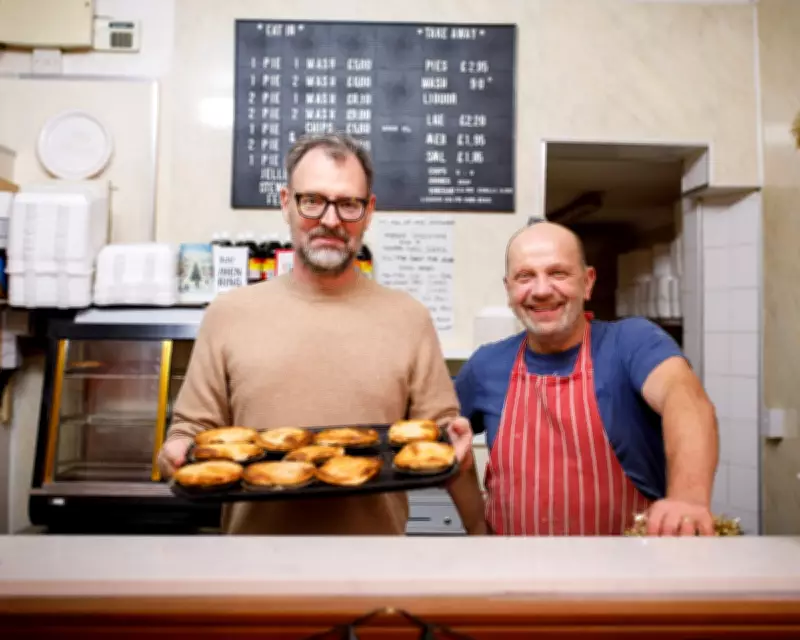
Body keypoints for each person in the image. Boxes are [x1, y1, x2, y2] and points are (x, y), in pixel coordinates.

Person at [159, 132, 486, 535]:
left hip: (375, 570)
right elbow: (191, 433)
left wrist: (480, 532)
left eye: (348, 203)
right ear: (285, 203)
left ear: (368, 211)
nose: (330, 220)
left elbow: (444, 443)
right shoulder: (228, 314)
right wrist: (174, 453)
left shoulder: (409, 317)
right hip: (252, 569)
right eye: (312, 200)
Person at [455, 221, 719, 537]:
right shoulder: (486, 364)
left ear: (588, 282)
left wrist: (687, 498)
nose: (540, 291)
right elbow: (444, 442)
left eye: (558, 273)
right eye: (525, 277)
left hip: (626, 575)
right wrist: (474, 526)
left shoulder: (631, 342)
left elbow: (684, 398)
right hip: (515, 573)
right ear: (509, 289)